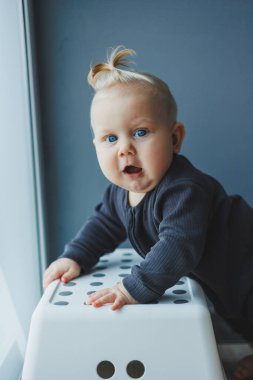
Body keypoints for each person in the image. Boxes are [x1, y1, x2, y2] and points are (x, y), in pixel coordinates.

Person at [43, 46, 253, 379]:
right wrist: (76, 257)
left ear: (174, 138)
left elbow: (179, 244)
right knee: (239, 314)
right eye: (110, 138)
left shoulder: (184, 189)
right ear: (96, 146)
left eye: (140, 132)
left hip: (246, 263)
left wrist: (133, 288)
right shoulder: (120, 193)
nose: (125, 147)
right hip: (227, 284)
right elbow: (103, 224)